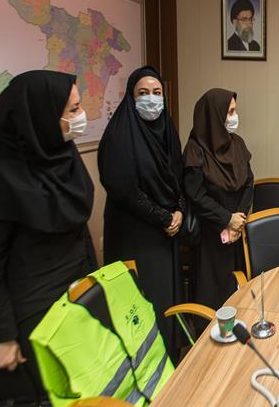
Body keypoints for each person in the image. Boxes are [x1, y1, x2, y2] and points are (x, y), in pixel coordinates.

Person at [0, 70, 95, 407]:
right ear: (40, 114)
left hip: (73, 302)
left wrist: (94, 290)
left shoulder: (62, 154)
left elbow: (78, 231)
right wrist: (1, 336)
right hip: (29, 319)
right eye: (72, 109)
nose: (80, 116)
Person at [98, 66, 184, 358]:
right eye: (143, 93)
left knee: (167, 303)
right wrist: (164, 217)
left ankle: (170, 363)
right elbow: (124, 191)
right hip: (136, 235)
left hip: (167, 233)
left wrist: (179, 210)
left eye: (157, 93)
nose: (151, 99)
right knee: (145, 306)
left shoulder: (167, 130)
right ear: (131, 97)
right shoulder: (119, 136)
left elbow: (178, 177)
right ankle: (147, 368)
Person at [183, 88, 254, 310]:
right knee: (212, 296)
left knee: (238, 288)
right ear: (214, 115)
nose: (234, 117)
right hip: (210, 234)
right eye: (229, 112)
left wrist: (238, 220)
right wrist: (227, 219)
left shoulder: (238, 143)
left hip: (237, 230)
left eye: (235, 111)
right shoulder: (195, 149)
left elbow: (249, 182)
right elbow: (195, 194)